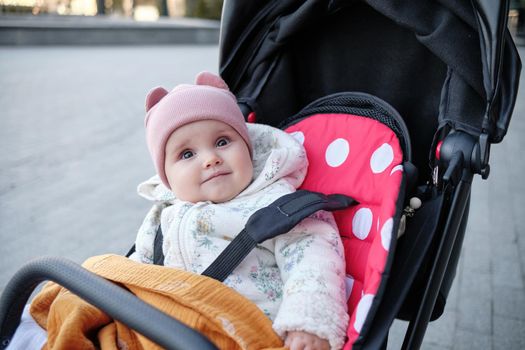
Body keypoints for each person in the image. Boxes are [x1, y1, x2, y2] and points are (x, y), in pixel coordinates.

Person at [129, 71, 349, 350]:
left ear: (248, 148)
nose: (210, 159)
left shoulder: (278, 207)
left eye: (222, 142)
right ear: (166, 177)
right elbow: (139, 266)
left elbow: (313, 263)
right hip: (167, 328)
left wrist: (307, 323)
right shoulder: (163, 215)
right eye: (187, 154)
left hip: (242, 333)